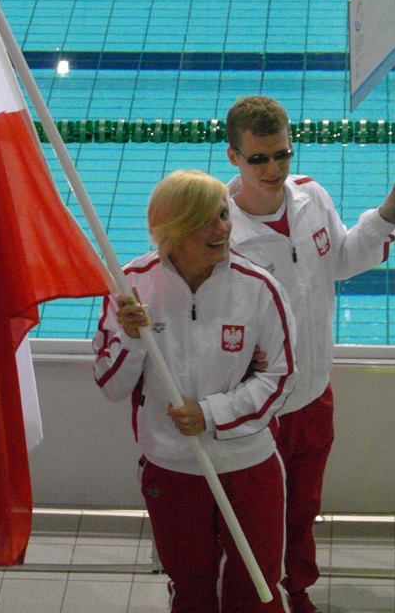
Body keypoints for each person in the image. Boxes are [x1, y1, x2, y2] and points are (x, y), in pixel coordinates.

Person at [225, 95, 395, 613]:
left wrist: (383, 218)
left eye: (282, 155)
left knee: (303, 509)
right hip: (257, 413)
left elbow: (341, 259)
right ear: (233, 158)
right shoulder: (220, 232)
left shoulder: (311, 198)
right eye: (258, 159)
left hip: (312, 396)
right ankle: (253, 599)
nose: (273, 169)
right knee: (255, 518)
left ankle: (296, 590)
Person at [92, 169, 298, 613]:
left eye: (223, 215)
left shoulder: (259, 288)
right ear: (174, 228)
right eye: (207, 219)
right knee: (190, 586)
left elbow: (280, 377)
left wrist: (211, 413)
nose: (223, 228)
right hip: (171, 467)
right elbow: (111, 385)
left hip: (247, 463)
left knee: (258, 585)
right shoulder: (131, 287)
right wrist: (129, 338)